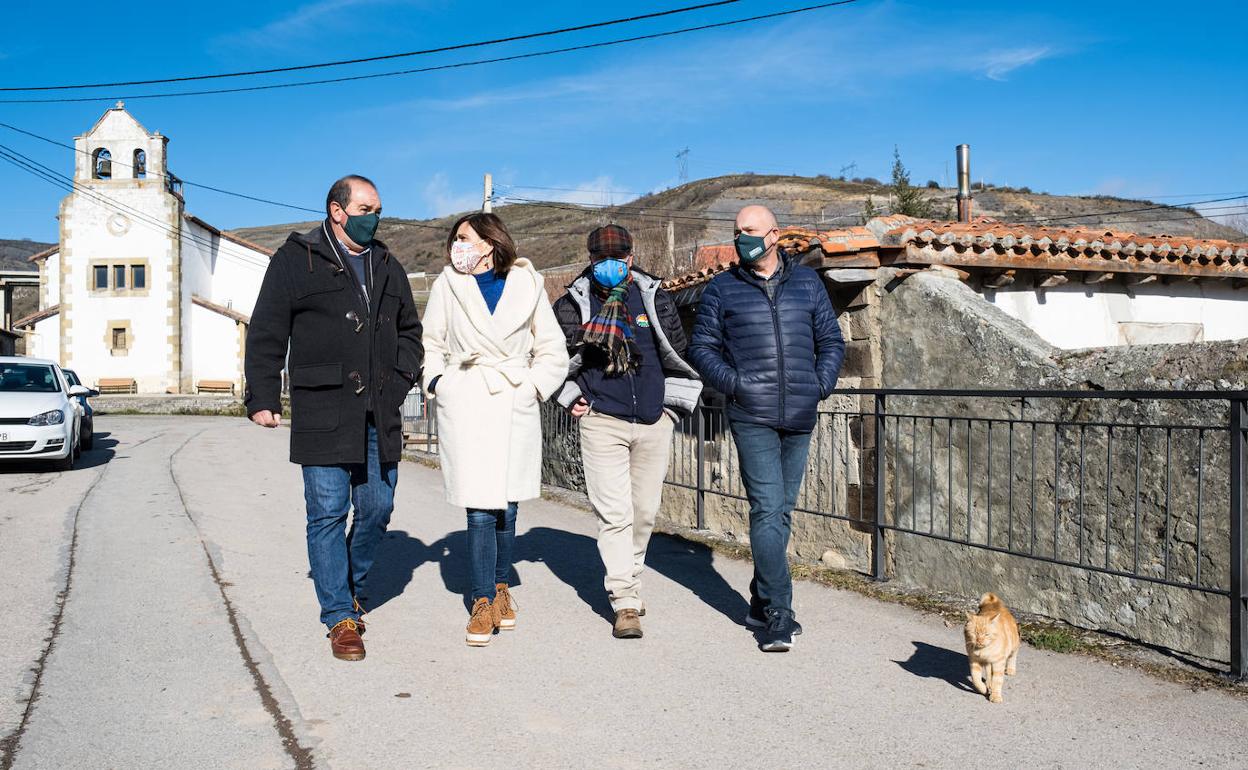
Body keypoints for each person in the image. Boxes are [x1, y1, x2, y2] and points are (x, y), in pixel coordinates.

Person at [245, 175, 423, 662]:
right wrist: (262, 395)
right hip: (322, 404)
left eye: (378, 209)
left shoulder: (387, 264)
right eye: (365, 207)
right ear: (337, 210)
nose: (375, 217)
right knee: (327, 512)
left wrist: (402, 378)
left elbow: (411, 331)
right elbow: (266, 330)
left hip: (378, 409)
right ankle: (340, 615)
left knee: (378, 508)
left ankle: (351, 586)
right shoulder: (295, 259)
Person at [687, 205, 845, 652]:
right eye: (738, 232)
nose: (742, 238)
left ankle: (758, 600)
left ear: (774, 235)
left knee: (783, 512)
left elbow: (831, 340)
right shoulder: (723, 288)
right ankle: (780, 611)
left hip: (800, 411)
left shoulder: (807, 282)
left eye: (750, 231)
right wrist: (736, 385)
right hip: (751, 413)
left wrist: (820, 384)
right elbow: (702, 347)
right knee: (766, 509)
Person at [422, 212, 569, 647]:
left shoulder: (528, 284)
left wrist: (533, 388)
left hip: (513, 396)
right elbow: (431, 342)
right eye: (455, 240)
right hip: (467, 398)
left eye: (465, 238)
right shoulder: (447, 285)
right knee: (479, 505)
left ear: (489, 242)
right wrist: (438, 384)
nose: (457, 246)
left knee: (507, 504)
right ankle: (482, 600)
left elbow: (552, 348)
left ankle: (502, 588)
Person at [553, 224, 702, 639]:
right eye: (601, 259)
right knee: (614, 513)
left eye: (617, 258)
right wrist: (568, 396)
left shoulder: (653, 297)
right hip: (603, 420)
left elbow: (676, 353)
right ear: (591, 260)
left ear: (631, 259)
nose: (609, 265)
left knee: (644, 512)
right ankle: (625, 599)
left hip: (654, 420)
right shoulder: (571, 304)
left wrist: (672, 410)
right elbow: (551, 358)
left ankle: (628, 579)